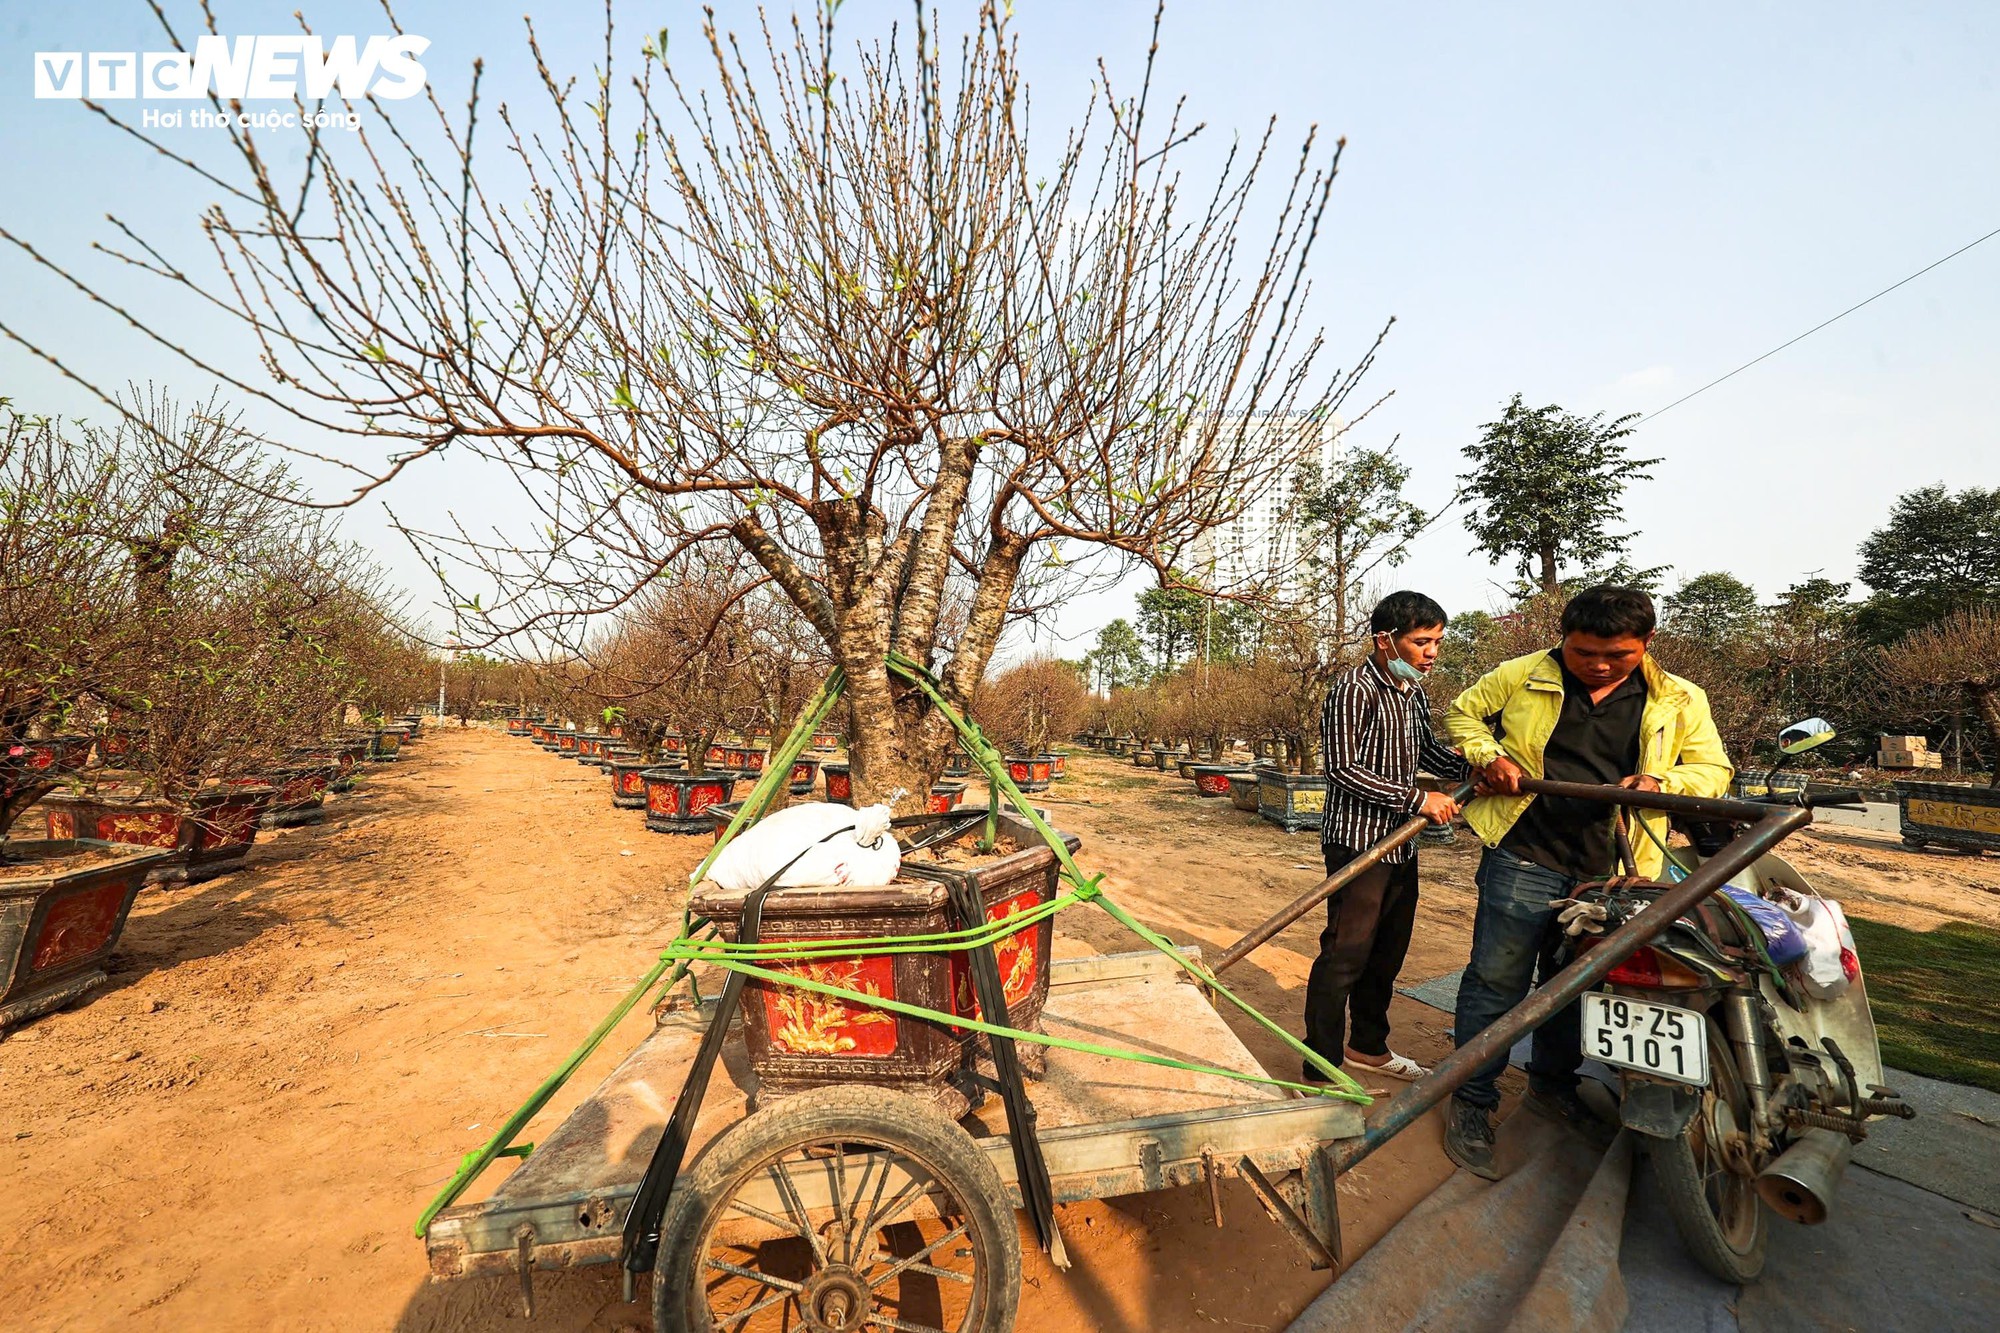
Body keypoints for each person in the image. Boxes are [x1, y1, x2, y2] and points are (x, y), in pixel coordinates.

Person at [1437, 584, 1731, 1178]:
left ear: (1646, 644)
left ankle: (1551, 1086)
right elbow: (1463, 713)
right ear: (1563, 640)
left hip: (1617, 871)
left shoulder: (1678, 698)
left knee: (1579, 984)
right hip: (1525, 850)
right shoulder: (1522, 674)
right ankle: (1471, 1101)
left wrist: (1661, 781)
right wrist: (1487, 754)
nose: (1597, 665)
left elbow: (1713, 770)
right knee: (1497, 980)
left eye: (1615, 655)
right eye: (1583, 652)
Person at [1306, 591, 1470, 1084]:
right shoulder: (1353, 689)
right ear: (1385, 640)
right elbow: (1342, 769)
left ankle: (1368, 1047)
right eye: (1422, 642)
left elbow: (1429, 755)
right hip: (1359, 841)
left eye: (1437, 642)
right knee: (1345, 953)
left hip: (1401, 841)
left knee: (1388, 952)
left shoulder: (1412, 692)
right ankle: (1319, 1068)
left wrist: (1473, 763)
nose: (1432, 653)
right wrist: (1418, 801)